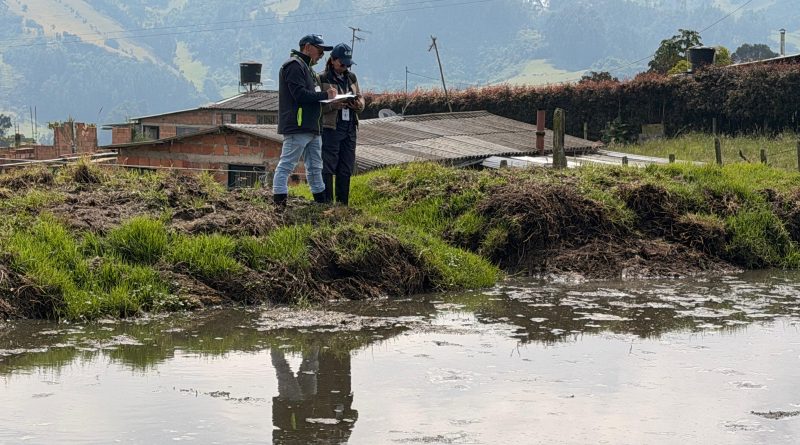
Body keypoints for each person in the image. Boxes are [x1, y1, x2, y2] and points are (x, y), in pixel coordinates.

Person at [272, 34, 338, 206]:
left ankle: (321, 205)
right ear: (307, 47)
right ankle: (279, 205)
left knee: (316, 168)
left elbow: (310, 96)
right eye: (320, 50)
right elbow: (299, 95)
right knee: (287, 165)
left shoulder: (309, 70)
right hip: (298, 126)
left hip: (312, 127)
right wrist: (325, 95)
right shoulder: (293, 66)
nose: (322, 55)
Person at [319, 43, 365, 205]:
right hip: (331, 127)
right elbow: (317, 106)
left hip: (350, 126)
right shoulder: (322, 79)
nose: (344, 67)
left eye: (347, 64)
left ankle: (342, 204)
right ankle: (326, 203)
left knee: (346, 167)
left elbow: (360, 97)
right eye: (342, 63)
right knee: (328, 166)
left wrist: (358, 105)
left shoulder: (351, 77)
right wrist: (333, 105)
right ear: (332, 60)